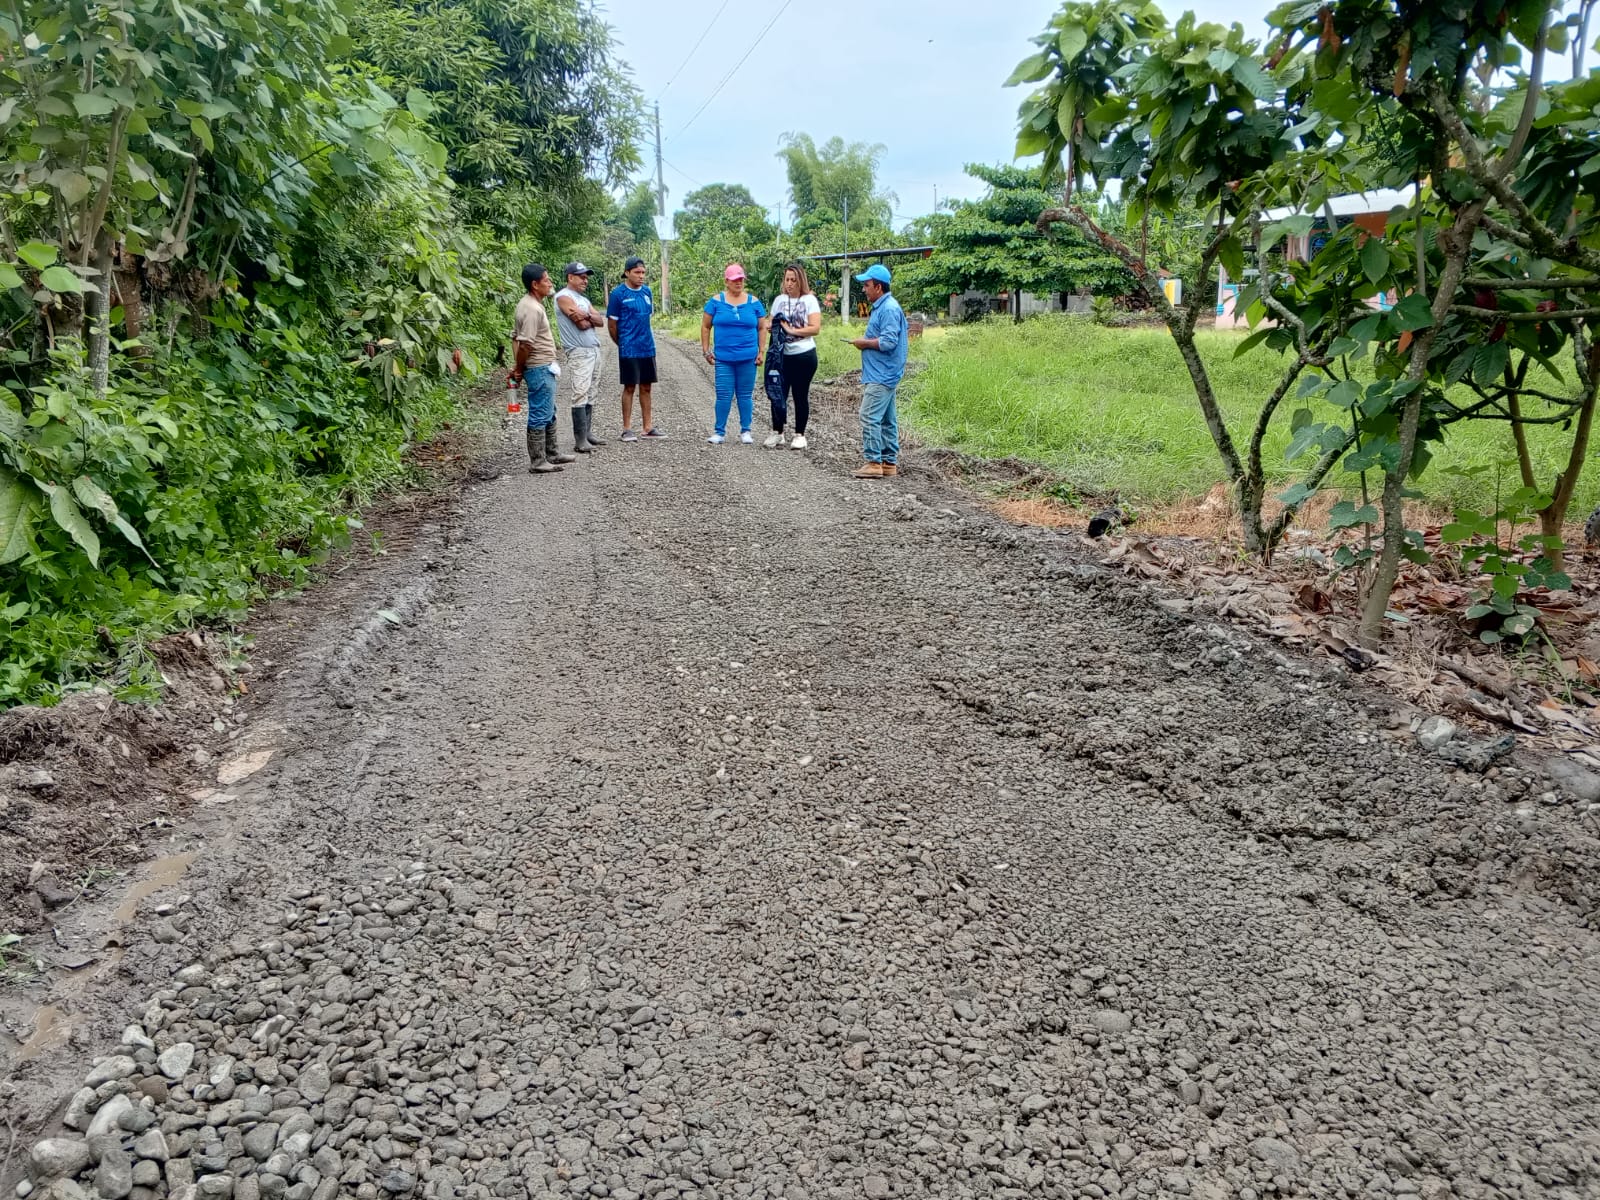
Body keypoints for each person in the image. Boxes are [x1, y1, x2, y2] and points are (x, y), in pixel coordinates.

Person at [513, 263, 577, 475]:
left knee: (549, 410)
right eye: (546, 280)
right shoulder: (531, 309)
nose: (550, 283)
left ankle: (552, 453)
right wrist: (519, 369)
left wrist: (518, 367)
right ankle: (538, 460)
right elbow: (525, 344)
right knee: (540, 412)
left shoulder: (531, 304)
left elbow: (516, 338)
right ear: (535, 284)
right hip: (538, 366)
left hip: (543, 366)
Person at [846, 263, 908, 479]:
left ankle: (873, 462)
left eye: (867, 285)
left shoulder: (888, 309)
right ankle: (889, 462)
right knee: (887, 419)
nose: (864, 289)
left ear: (878, 287)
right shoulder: (885, 307)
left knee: (869, 415)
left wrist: (864, 343)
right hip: (885, 373)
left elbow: (889, 342)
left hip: (882, 374)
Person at [700, 264, 769, 444]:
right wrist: (706, 350)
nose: (738, 283)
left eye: (741, 279)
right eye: (734, 280)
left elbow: (762, 327)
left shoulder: (754, 303)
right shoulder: (715, 302)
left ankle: (746, 431)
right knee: (723, 395)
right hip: (724, 358)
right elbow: (706, 326)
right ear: (727, 281)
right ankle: (719, 432)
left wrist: (761, 351)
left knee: (745, 395)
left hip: (748, 357)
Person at [606, 257, 666, 441]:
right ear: (627, 273)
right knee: (630, 386)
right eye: (637, 272)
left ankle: (647, 427)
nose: (641, 276)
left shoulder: (647, 292)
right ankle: (626, 428)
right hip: (629, 348)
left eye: (643, 272)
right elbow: (612, 325)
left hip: (647, 346)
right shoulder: (618, 294)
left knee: (646, 387)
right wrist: (622, 343)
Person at [765, 263, 822, 449]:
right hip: (781, 355)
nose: (789, 283)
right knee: (778, 393)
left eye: (793, 280)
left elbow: (815, 328)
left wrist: (791, 330)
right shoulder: (779, 300)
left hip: (804, 355)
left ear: (800, 281)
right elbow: (771, 321)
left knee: (800, 394)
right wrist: (771, 326)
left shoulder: (809, 300)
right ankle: (777, 432)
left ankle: (800, 434)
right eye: (787, 279)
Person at [554, 261, 607, 453]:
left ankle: (587, 433)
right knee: (580, 392)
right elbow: (582, 324)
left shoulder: (583, 300)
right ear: (570, 277)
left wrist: (586, 316)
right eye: (581, 277)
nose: (585, 280)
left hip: (593, 349)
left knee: (591, 391)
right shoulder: (563, 296)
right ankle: (580, 439)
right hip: (578, 351)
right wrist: (589, 317)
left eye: (586, 277)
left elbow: (600, 321)